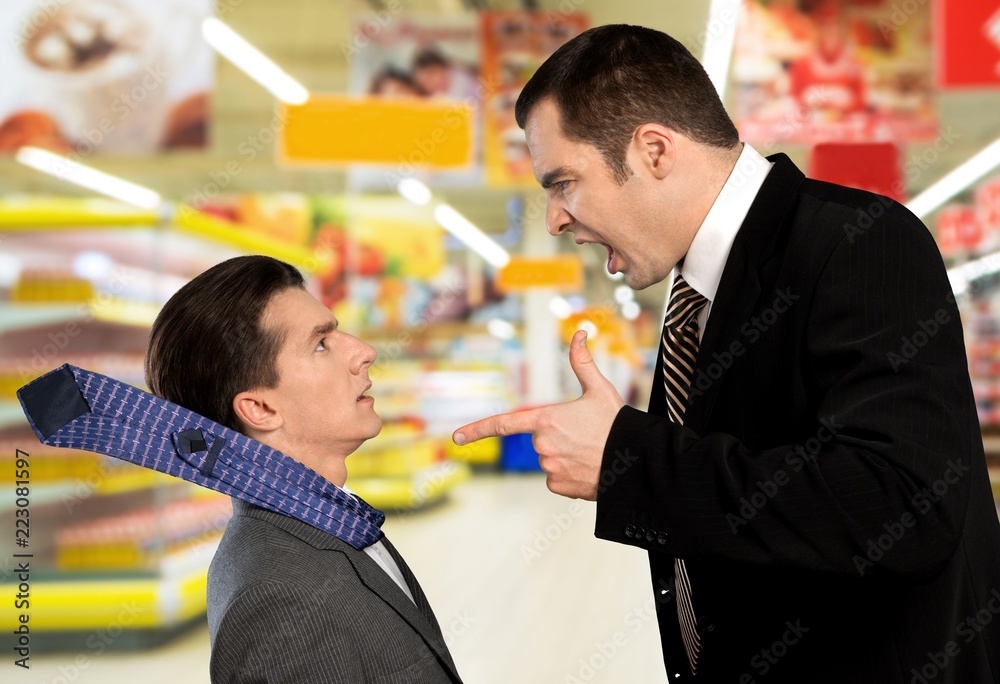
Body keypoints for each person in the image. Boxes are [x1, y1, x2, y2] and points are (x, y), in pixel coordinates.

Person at [453, 24, 1000, 683]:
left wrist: (629, 460)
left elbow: (906, 504)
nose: (554, 219)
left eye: (563, 182)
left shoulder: (858, 242)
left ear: (654, 150)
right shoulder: (692, 293)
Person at [144, 255, 463, 683]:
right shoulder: (281, 599)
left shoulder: (327, 525)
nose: (364, 352)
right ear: (259, 408)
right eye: (321, 344)